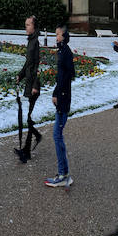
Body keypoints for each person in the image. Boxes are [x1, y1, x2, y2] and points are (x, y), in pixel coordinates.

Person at [45, 26, 75, 188]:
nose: (55, 36)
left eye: (57, 34)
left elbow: (67, 76)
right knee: (58, 135)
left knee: (57, 136)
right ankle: (64, 173)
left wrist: (57, 94)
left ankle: (63, 174)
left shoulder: (65, 53)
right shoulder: (63, 51)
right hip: (63, 96)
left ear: (64, 37)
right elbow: (63, 75)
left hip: (63, 99)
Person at [13, 15, 43, 163]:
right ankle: (36, 137)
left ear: (34, 27)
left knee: (29, 117)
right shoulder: (31, 41)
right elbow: (28, 64)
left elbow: (37, 66)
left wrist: (35, 86)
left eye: (28, 25)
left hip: (33, 86)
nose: (26, 27)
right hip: (30, 82)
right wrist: (20, 75)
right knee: (29, 117)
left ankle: (27, 151)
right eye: (25, 25)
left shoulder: (35, 43)